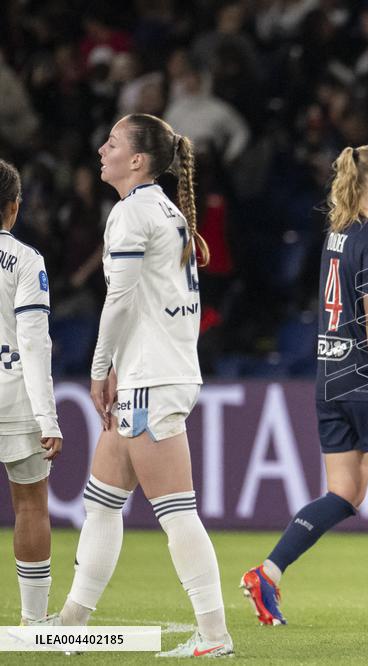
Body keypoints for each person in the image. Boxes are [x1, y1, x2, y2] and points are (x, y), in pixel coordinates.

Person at [41, 114, 233, 657]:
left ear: (138, 161)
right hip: (153, 375)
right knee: (101, 503)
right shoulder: (166, 211)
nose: (102, 148)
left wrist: (101, 367)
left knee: (176, 512)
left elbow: (120, 301)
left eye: (114, 142)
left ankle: (215, 635)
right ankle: (73, 624)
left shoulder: (131, 214)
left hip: (150, 381)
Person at [240, 145, 368, 629]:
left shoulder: (337, 236)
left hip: (331, 381)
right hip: (367, 378)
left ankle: (269, 571)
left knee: (344, 493)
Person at [0, 159, 63, 624]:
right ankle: (34, 622)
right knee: (29, 503)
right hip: (13, 393)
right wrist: (48, 417)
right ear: (14, 208)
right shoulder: (25, 260)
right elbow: (33, 342)